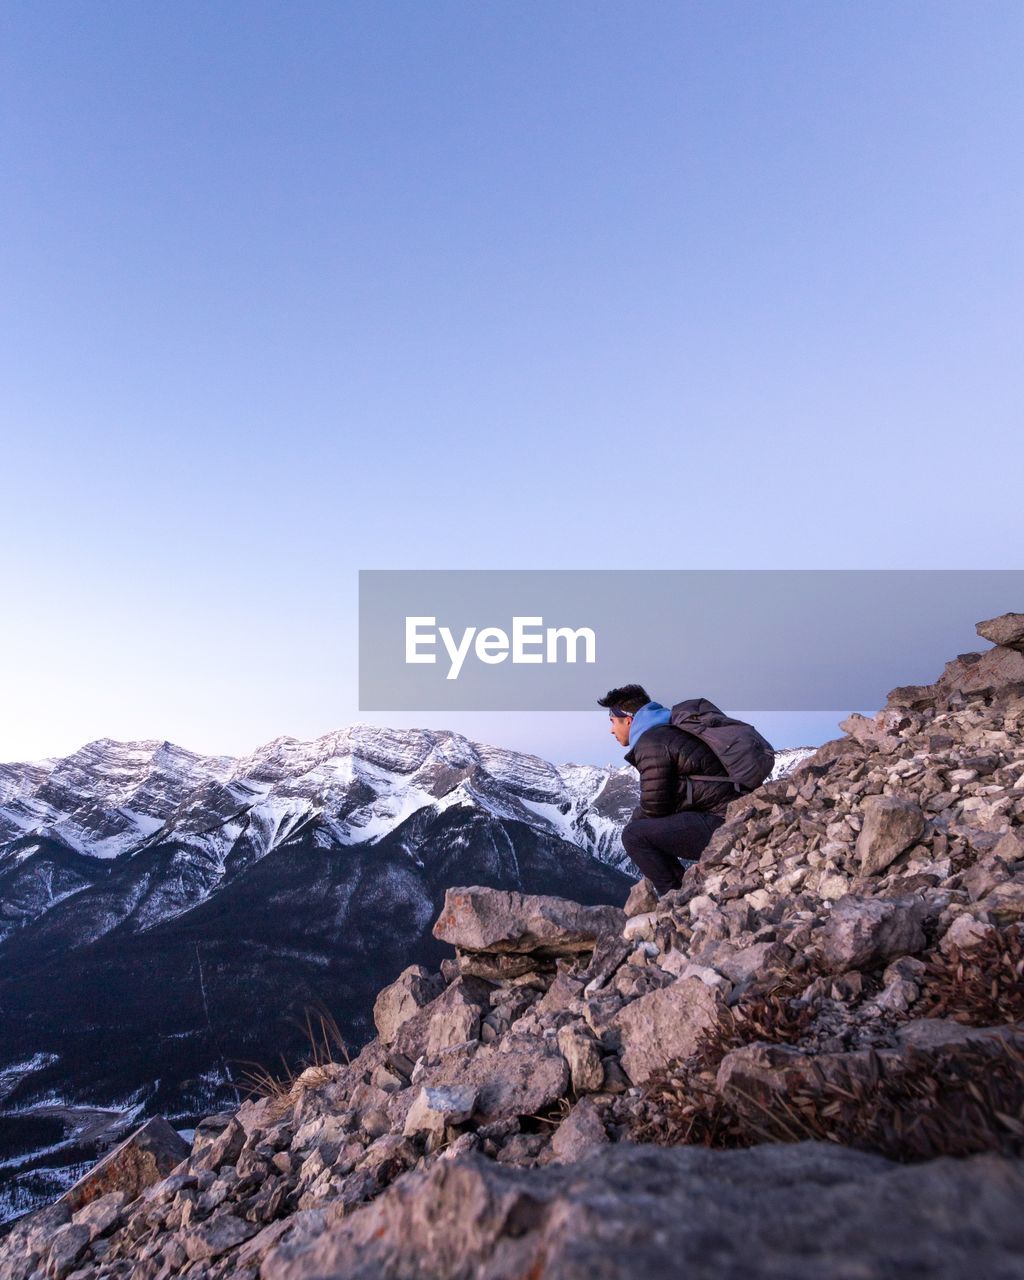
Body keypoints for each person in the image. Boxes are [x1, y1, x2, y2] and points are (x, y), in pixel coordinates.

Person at [598, 683, 736, 897]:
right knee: (643, 830)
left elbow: (655, 806)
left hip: (720, 823)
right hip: (728, 815)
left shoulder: (651, 742)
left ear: (628, 720)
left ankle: (675, 897)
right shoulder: (668, 732)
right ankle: (684, 892)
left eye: (612, 722)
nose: (611, 730)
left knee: (634, 836)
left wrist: (634, 823)